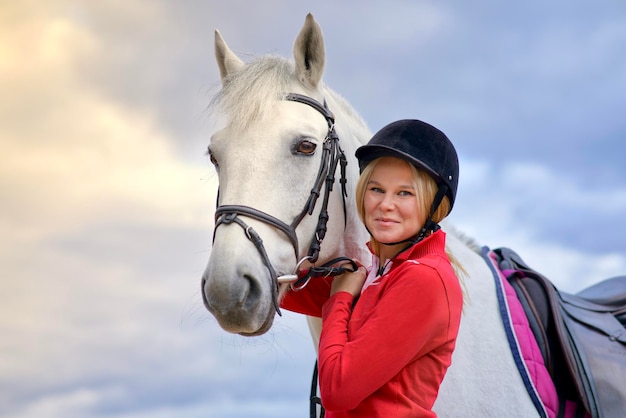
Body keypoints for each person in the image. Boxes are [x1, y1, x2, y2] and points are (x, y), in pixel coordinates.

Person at [281, 119, 464, 417]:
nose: (385, 204)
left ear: (435, 205)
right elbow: (274, 286)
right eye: (376, 189)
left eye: (404, 193)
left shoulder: (425, 279)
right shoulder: (376, 273)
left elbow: (338, 390)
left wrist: (340, 298)